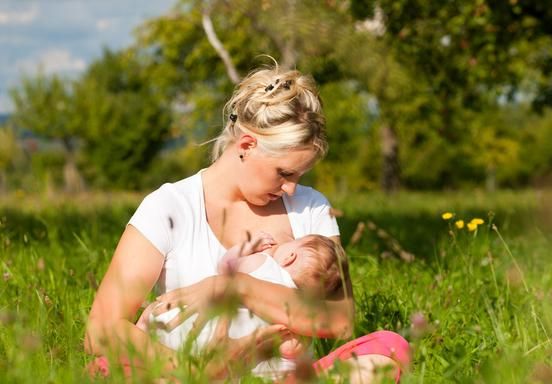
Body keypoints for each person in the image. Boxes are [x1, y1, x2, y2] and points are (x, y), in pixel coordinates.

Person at [84, 66, 410, 382]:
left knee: (389, 349)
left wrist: (238, 288)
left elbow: (339, 320)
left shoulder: (310, 208)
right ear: (247, 145)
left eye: (299, 176)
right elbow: (102, 329)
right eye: (284, 173)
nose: (291, 188)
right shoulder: (170, 207)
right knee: (106, 368)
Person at [136, 231, 343, 378]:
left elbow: (225, 267)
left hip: (195, 333)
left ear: (290, 257)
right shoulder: (298, 310)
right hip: (235, 361)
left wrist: (248, 247)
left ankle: (137, 337)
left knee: (152, 314)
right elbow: (290, 350)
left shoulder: (263, 262)